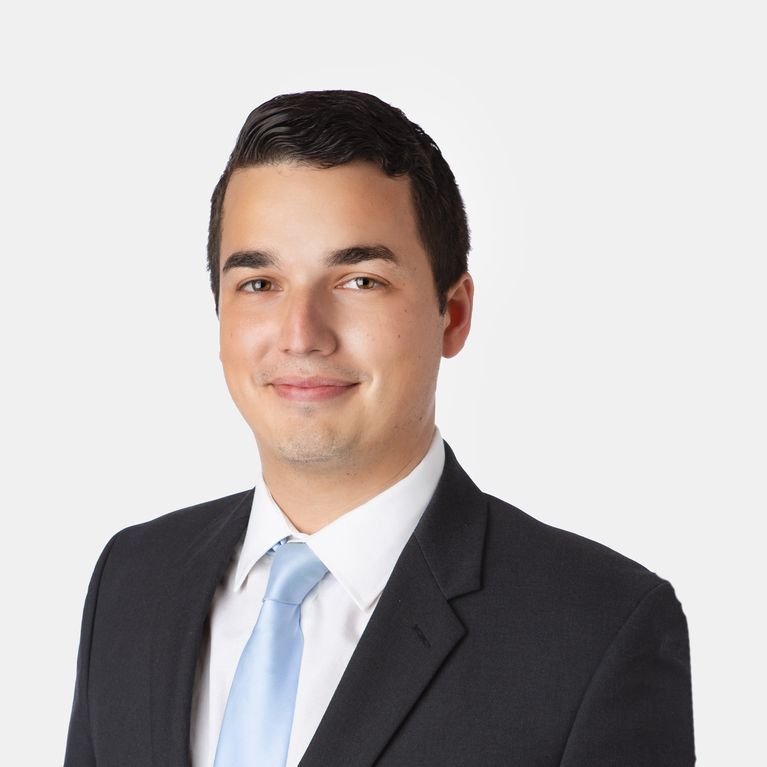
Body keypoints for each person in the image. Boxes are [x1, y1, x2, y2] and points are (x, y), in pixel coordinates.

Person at [64, 90, 695, 767]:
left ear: (452, 314)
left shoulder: (597, 630)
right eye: (260, 283)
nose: (301, 334)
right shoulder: (133, 580)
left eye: (359, 281)